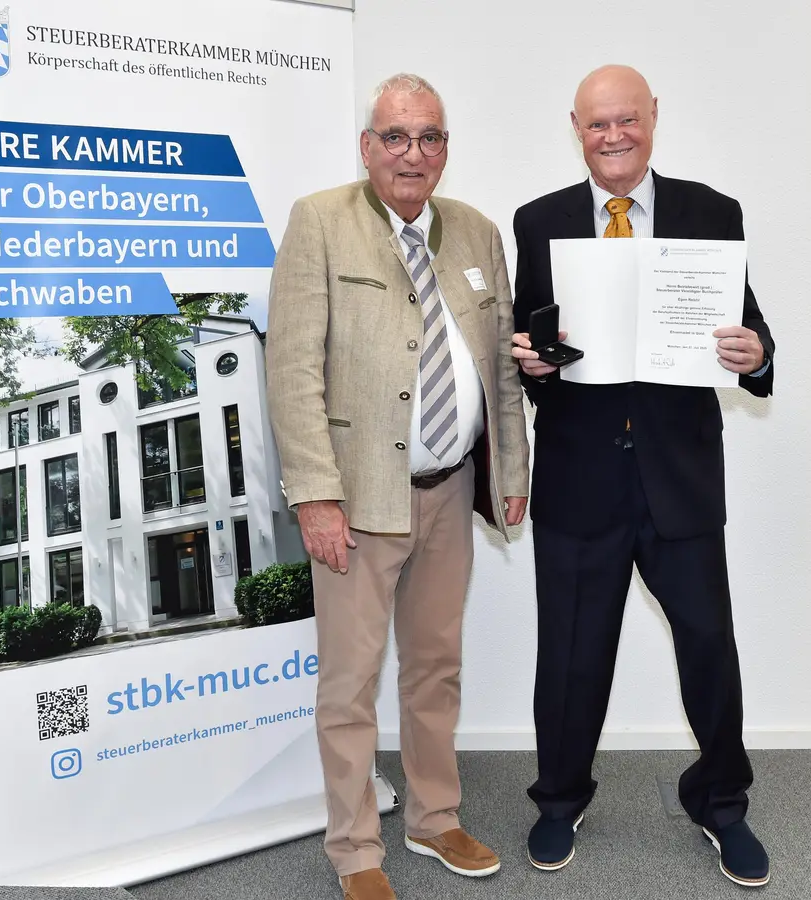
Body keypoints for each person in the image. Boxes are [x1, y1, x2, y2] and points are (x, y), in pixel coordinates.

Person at [508, 64, 776, 887]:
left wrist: (757, 356)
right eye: (597, 124)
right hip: (579, 477)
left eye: (626, 119)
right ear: (576, 128)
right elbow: (530, 339)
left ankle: (721, 803)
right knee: (571, 656)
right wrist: (532, 365)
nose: (613, 136)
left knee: (708, 648)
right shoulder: (540, 220)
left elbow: (752, 334)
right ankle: (558, 800)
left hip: (680, 476)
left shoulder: (710, 211)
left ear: (652, 118)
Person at [266, 72, 532, 900]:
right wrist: (314, 493)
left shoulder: (479, 233)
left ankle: (432, 817)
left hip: (451, 491)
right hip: (357, 500)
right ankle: (354, 850)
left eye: (429, 138)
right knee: (349, 684)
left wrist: (512, 468)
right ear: (367, 146)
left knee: (435, 667)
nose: (412, 154)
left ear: (445, 149)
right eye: (396, 137)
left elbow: (499, 368)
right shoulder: (320, 221)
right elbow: (292, 369)